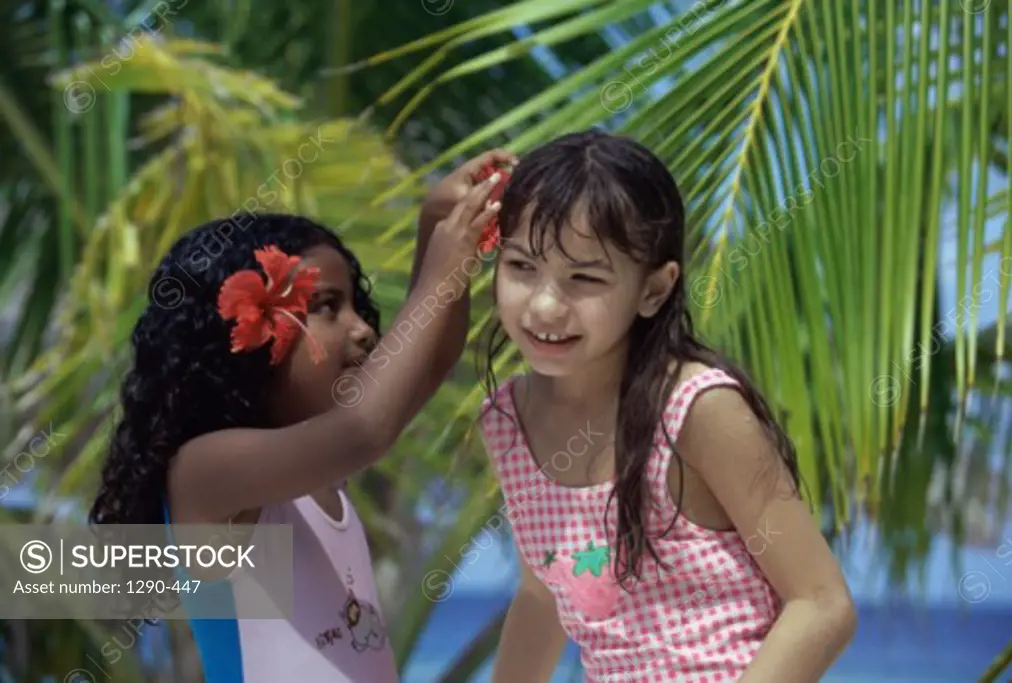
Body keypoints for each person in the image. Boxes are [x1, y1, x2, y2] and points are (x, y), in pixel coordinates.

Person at [87, 148, 515, 683]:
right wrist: (442, 266)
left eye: (357, 306)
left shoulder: (305, 476)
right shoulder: (205, 470)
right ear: (241, 341)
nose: (362, 328)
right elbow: (363, 431)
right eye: (329, 307)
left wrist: (436, 224)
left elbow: (426, 366)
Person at [477, 131, 856, 682]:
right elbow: (542, 595)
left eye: (584, 277)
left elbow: (822, 604)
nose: (544, 304)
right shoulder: (507, 422)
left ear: (654, 290)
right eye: (521, 267)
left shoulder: (697, 411)